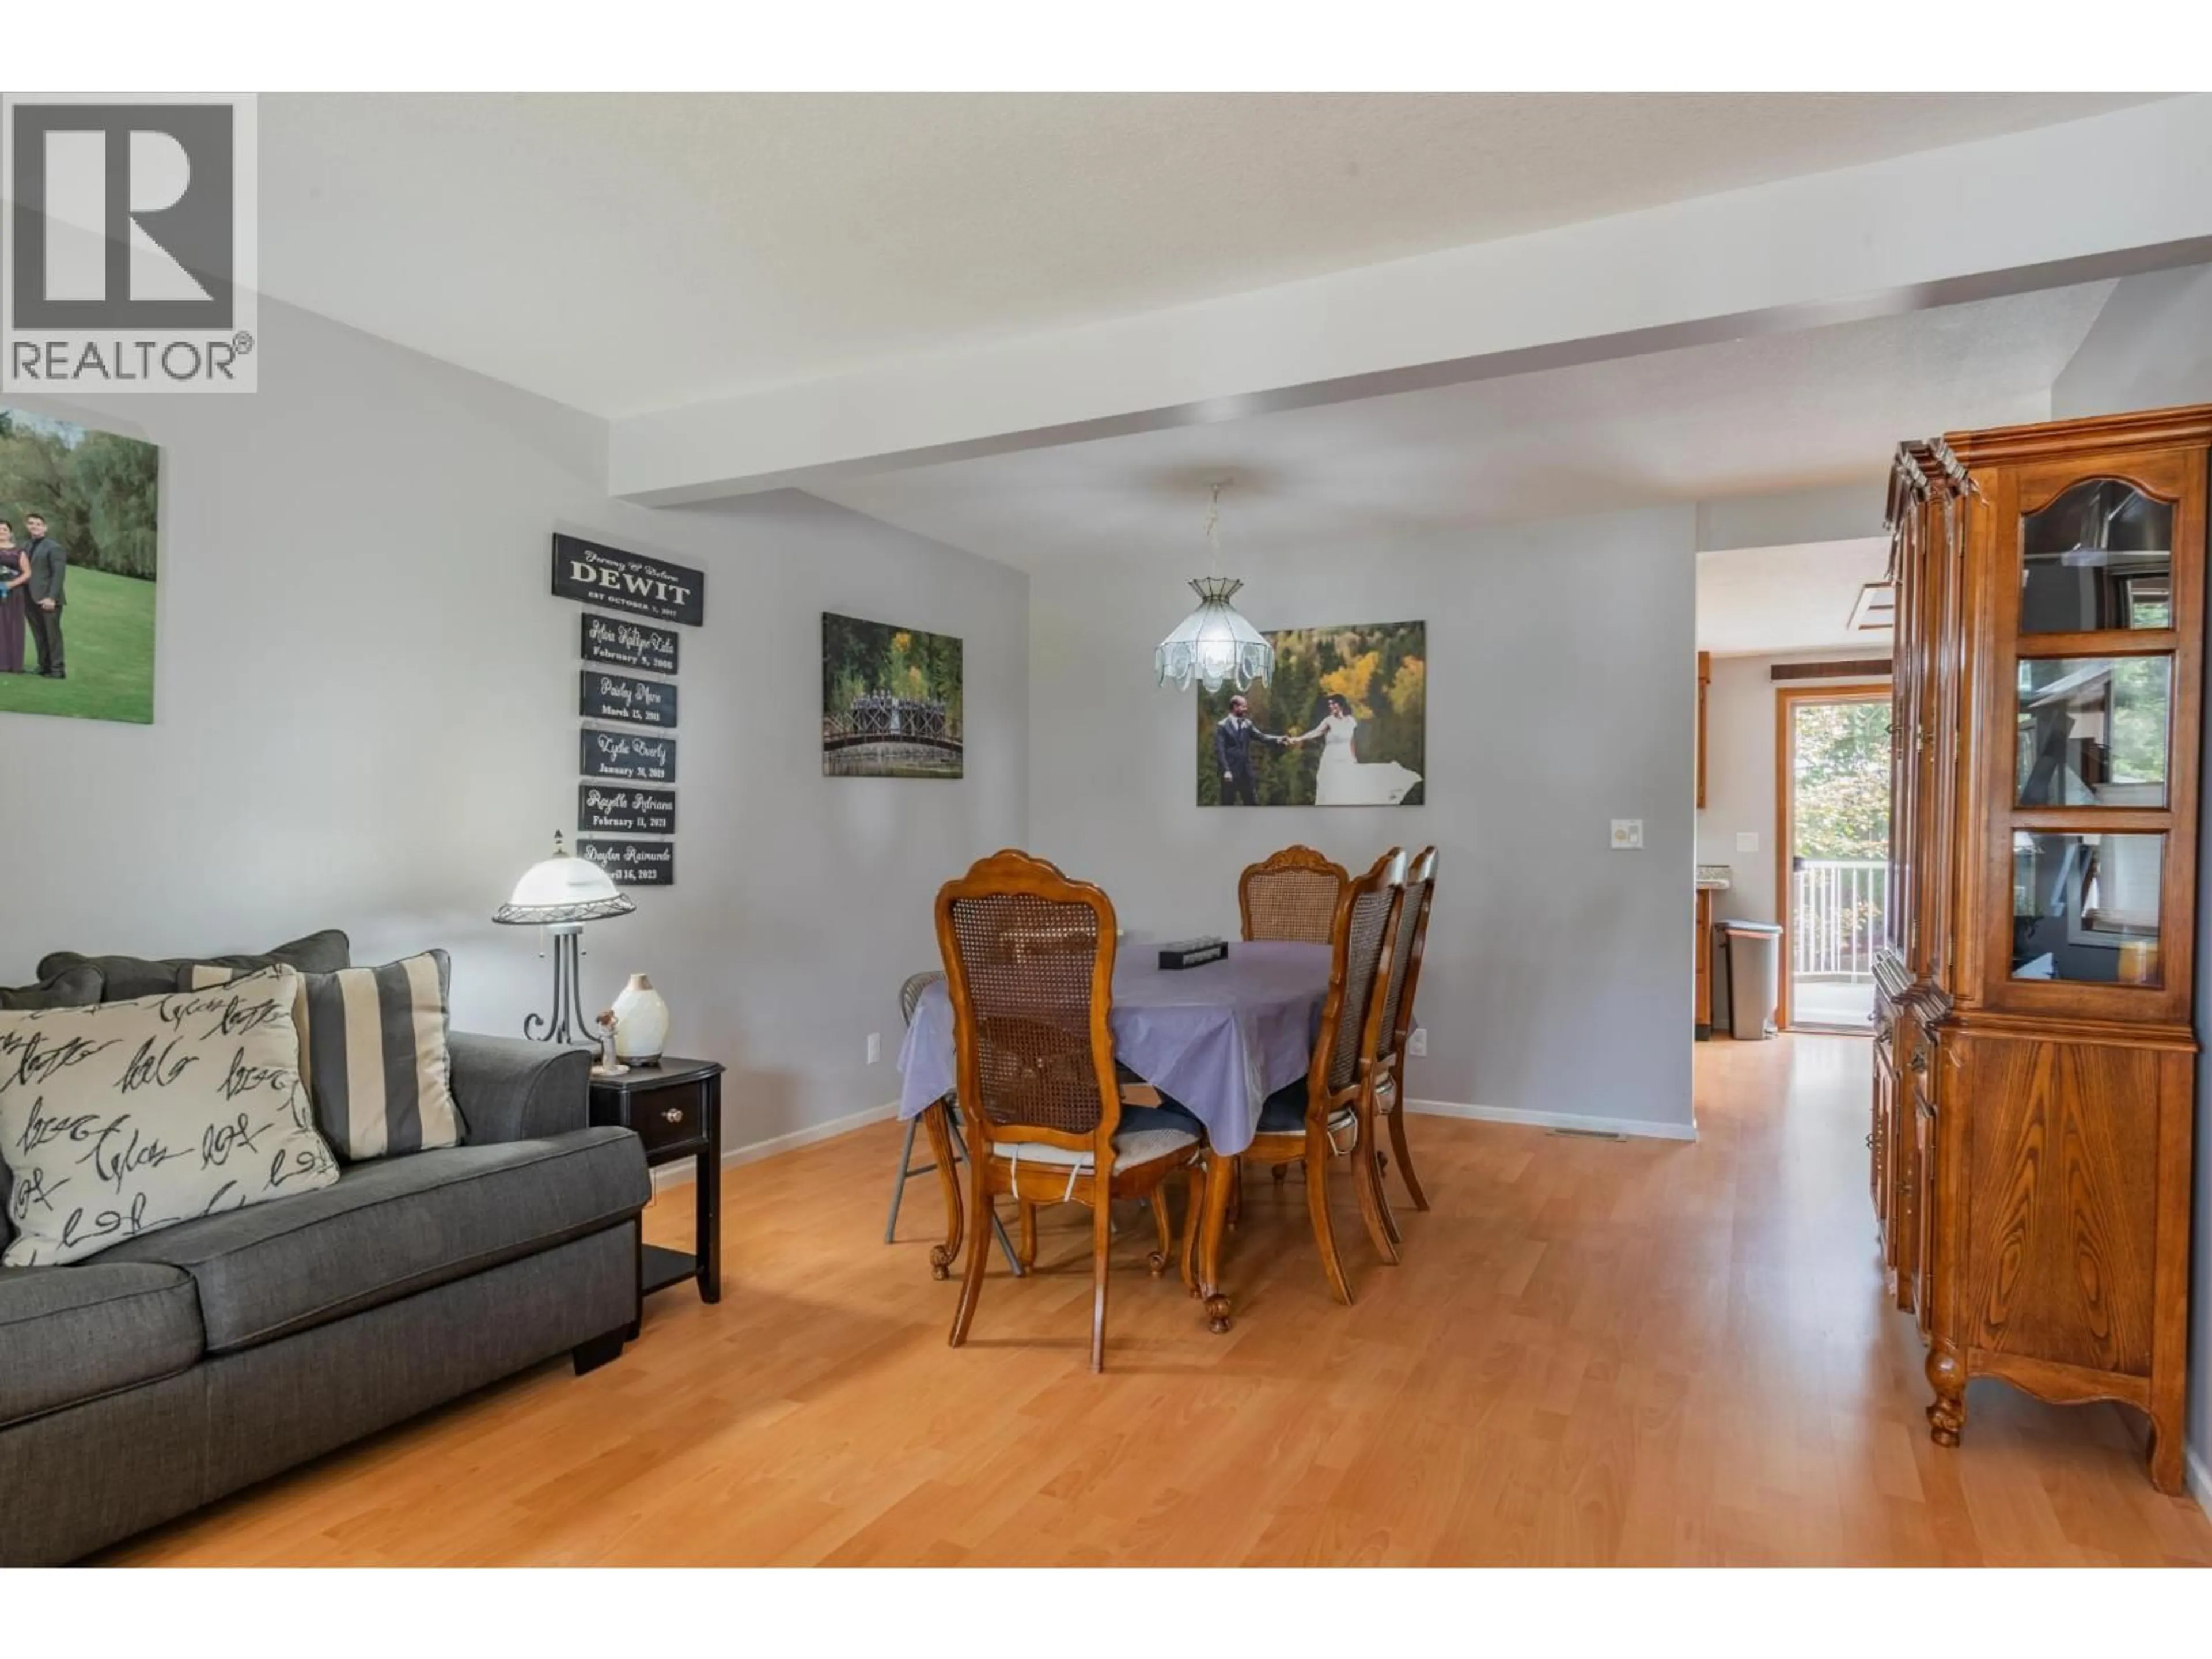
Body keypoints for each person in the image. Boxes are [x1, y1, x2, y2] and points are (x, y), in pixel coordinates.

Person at [1288, 693, 1422, 806]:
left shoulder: (1351, 721)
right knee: (1329, 786)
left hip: (1346, 758)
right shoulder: (1329, 721)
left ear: (1341, 704)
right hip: (1331, 759)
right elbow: (1316, 732)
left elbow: (1351, 741)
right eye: (1330, 704)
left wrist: (1354, 758)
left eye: (1334, 704)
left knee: (1349, 785)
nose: (1332, 707)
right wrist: (1298, 739)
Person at [1213, 693, 1283, 806]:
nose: (1246, 709)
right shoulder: (1222, 726)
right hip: (1230, 773)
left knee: (1252, 802)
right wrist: (1226, 770)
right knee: (1227, 803)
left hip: (1245, 772)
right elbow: (1220, 751)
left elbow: (1262, 737)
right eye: (1243, 706)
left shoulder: (1248, 724)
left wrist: (1279, 739)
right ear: (1235, 707)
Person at [22, 513, 65, 681]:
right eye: (31, 524)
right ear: (27, 526)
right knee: (39, 634)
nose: (35, 526)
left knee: (52, 635)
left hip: (48, 599)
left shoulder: (54, 548)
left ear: (45, 527)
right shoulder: (25, 546)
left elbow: (58, 575)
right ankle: (43, 666)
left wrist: (52, 598)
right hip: (29, 598)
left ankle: (57, 669)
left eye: (38, 524)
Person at [0, 520, 25, 675]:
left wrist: (11, 585)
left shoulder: (19, 551)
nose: (1, 532)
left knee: (12, 625)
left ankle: (13, 663)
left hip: (13, 593)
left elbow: (27, 573)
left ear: (10, 533)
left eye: (4, 529)